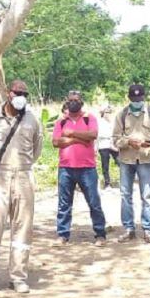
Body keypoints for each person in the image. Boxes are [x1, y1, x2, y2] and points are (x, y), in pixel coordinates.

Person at [0, 80, 43, 293]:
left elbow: (37, 148)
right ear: (8, 93)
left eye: (24, 93)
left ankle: (18, 277)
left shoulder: (32, 118)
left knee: (23, 228)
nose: (20, 96)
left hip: (23, 175)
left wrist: (23, 166)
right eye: (17, 92)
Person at [52, 90, 106, 246]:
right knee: (64, 204)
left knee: (94, 202)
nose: (73, 103)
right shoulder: (61, 121)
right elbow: (56, 142)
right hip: (66, 168)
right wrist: (78, 139)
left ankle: (100, 234)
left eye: (76, 100)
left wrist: (71, 133)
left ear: (81, 102)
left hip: (87, 168)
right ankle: (62, 234)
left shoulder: (90, 118)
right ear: (66, 102)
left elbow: (93, 135)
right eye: (70, 100)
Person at [111, 84, 150, 244]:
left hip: (146, 159)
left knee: (146, 195)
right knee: (125, 195)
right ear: (129, 98)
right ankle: (129, 229)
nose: (137, 101)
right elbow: (115, 139)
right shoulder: (121, 115)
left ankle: (148, 229)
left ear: (143, 98)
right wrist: (128, 142)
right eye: (134, 99)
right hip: (127, 160)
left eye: (139, 99)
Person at [95, 105, 118, 190]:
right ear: (103, 113)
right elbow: (98, 135)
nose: (109, 114)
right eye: (107, 112)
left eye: (110, 112)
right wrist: (95, 148)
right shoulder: (99, 122)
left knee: (120, 161)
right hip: (103, 145)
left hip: (113, 145)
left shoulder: (112, 122)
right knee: (105, 165)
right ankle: (107, 183)